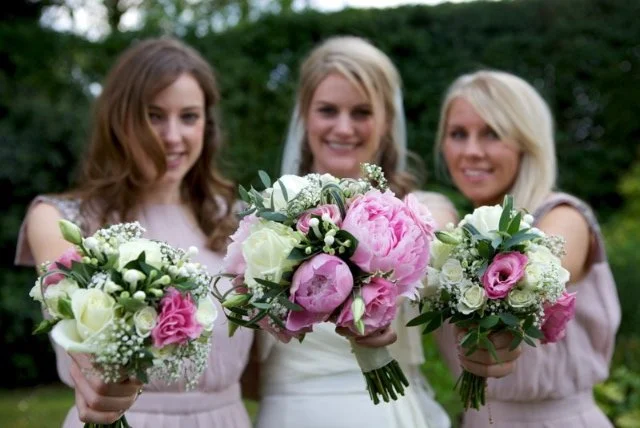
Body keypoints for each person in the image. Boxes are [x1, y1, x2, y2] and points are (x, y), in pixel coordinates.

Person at [15, 38, 254, 428]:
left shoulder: (240, 221)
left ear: (207, 125)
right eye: (154, 116)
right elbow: (75, 335)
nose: (173, 136)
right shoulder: (61, 219)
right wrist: (98, 386)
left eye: (189, 117)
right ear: (119, 120)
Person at [255, 35, 466, 428]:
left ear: (386, 120)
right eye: (328, 110)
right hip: (291, 412)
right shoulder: (265, 219)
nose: (343, 127)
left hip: (386, 413)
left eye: (362, 112)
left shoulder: (422, 214)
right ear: (305, 114)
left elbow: (460, 344)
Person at [434, 70, 621, 427]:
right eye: (458, 134)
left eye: (492, 133)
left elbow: (540, 269)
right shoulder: (457, 232)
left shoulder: (565, 216)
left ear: (525, 141)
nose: (471, 151)